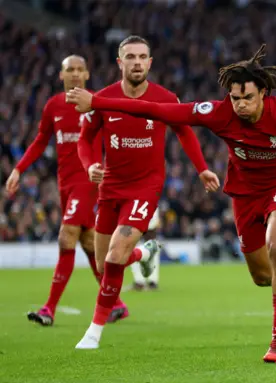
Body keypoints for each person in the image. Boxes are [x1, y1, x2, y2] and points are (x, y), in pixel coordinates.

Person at [66, 44, 276, 362]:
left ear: (264, 94)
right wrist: (97, 102)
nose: (241, 105)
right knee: (262, 276)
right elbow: (157, 111)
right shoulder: (218, 114)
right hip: (244, 195)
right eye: (235, 98)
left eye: (248, 98)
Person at [69, 36, 219, 349]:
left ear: (150, 63)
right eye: (130, 57)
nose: (137, 63)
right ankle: (145, 253)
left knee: (113, 256)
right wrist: (90, 165)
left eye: (142, 57)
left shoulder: (165, 98)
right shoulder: (103, 99)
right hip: (111, 186)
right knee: (103, 263)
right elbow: (84, 140)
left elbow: (184, 131)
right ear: (119, 62)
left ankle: (93, 332)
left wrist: (201, 168)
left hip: (146, 186)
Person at [5, 55, 129, 326]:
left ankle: (49, 309)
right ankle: (117, 304)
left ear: (87, 74)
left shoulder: (97, 103)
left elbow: (118, 137)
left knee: (66, 237)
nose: (74, 74)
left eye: (79, 70)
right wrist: (18, 169)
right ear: (61, 76)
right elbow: (40, 141)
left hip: (89, 182)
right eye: (69, 70)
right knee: (87, 243)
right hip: (65, 184)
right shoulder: (53, 106)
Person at [129, 208, 161, 291]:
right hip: (145, 218)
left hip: (139, 219)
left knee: (135, 249)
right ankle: (150, 281)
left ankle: (142, 282)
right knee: (148, 250)